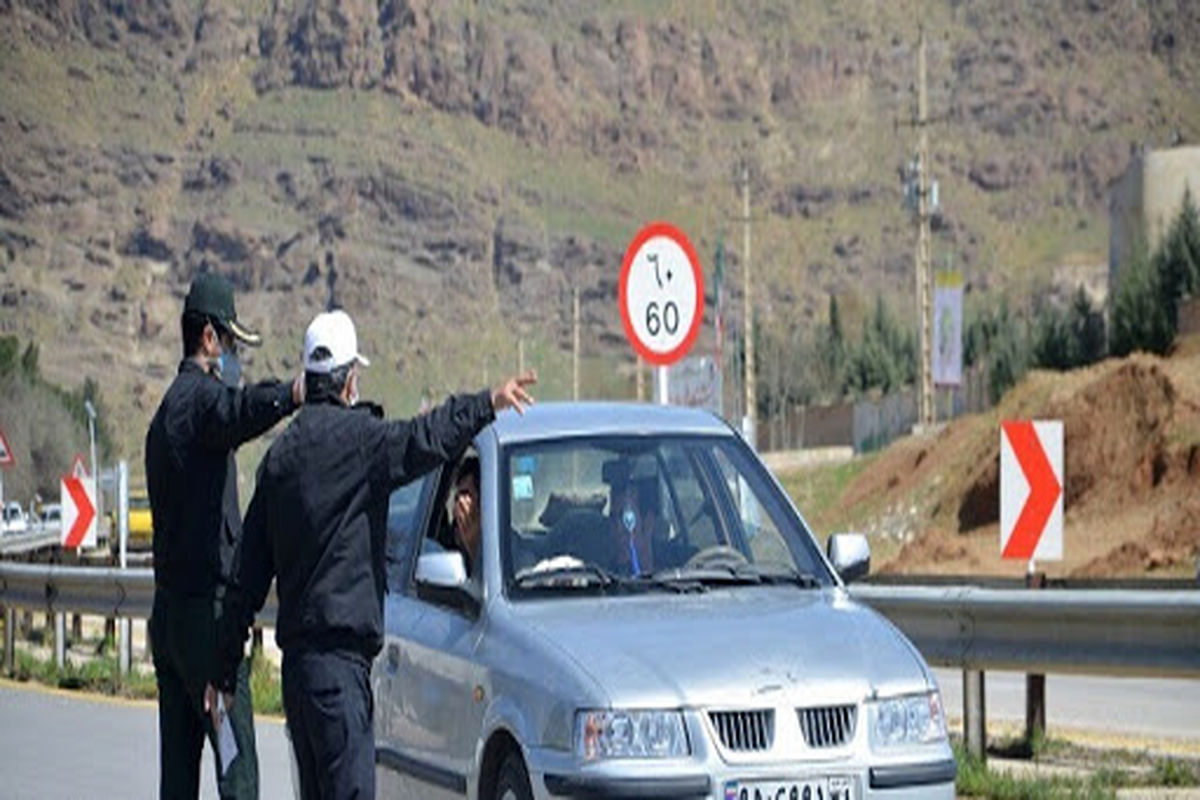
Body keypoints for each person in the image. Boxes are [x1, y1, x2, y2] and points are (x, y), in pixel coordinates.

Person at [210, 309, 535, 800]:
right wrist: (487, 402)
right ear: (348, 381)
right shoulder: (362, 443)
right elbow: (427, 437)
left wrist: (222, 667)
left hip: (297, 676)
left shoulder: (279, 461)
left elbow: (245, 579)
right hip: (341, 674)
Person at [145, 271, 302, 799]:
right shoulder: (202, 401)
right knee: (238, 778)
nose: (233, 356)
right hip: (207, 625)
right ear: (209, 339)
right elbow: (237, 411)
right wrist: (293, 393)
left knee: (178, 778)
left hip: (168, 620)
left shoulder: (164, 414)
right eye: (231, 344)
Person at [450, 456, 482, 576]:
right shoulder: (449, 548)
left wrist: (474, 545)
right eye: (457, 498)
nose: (458, 507)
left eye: (465, 494)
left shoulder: (511, 554)